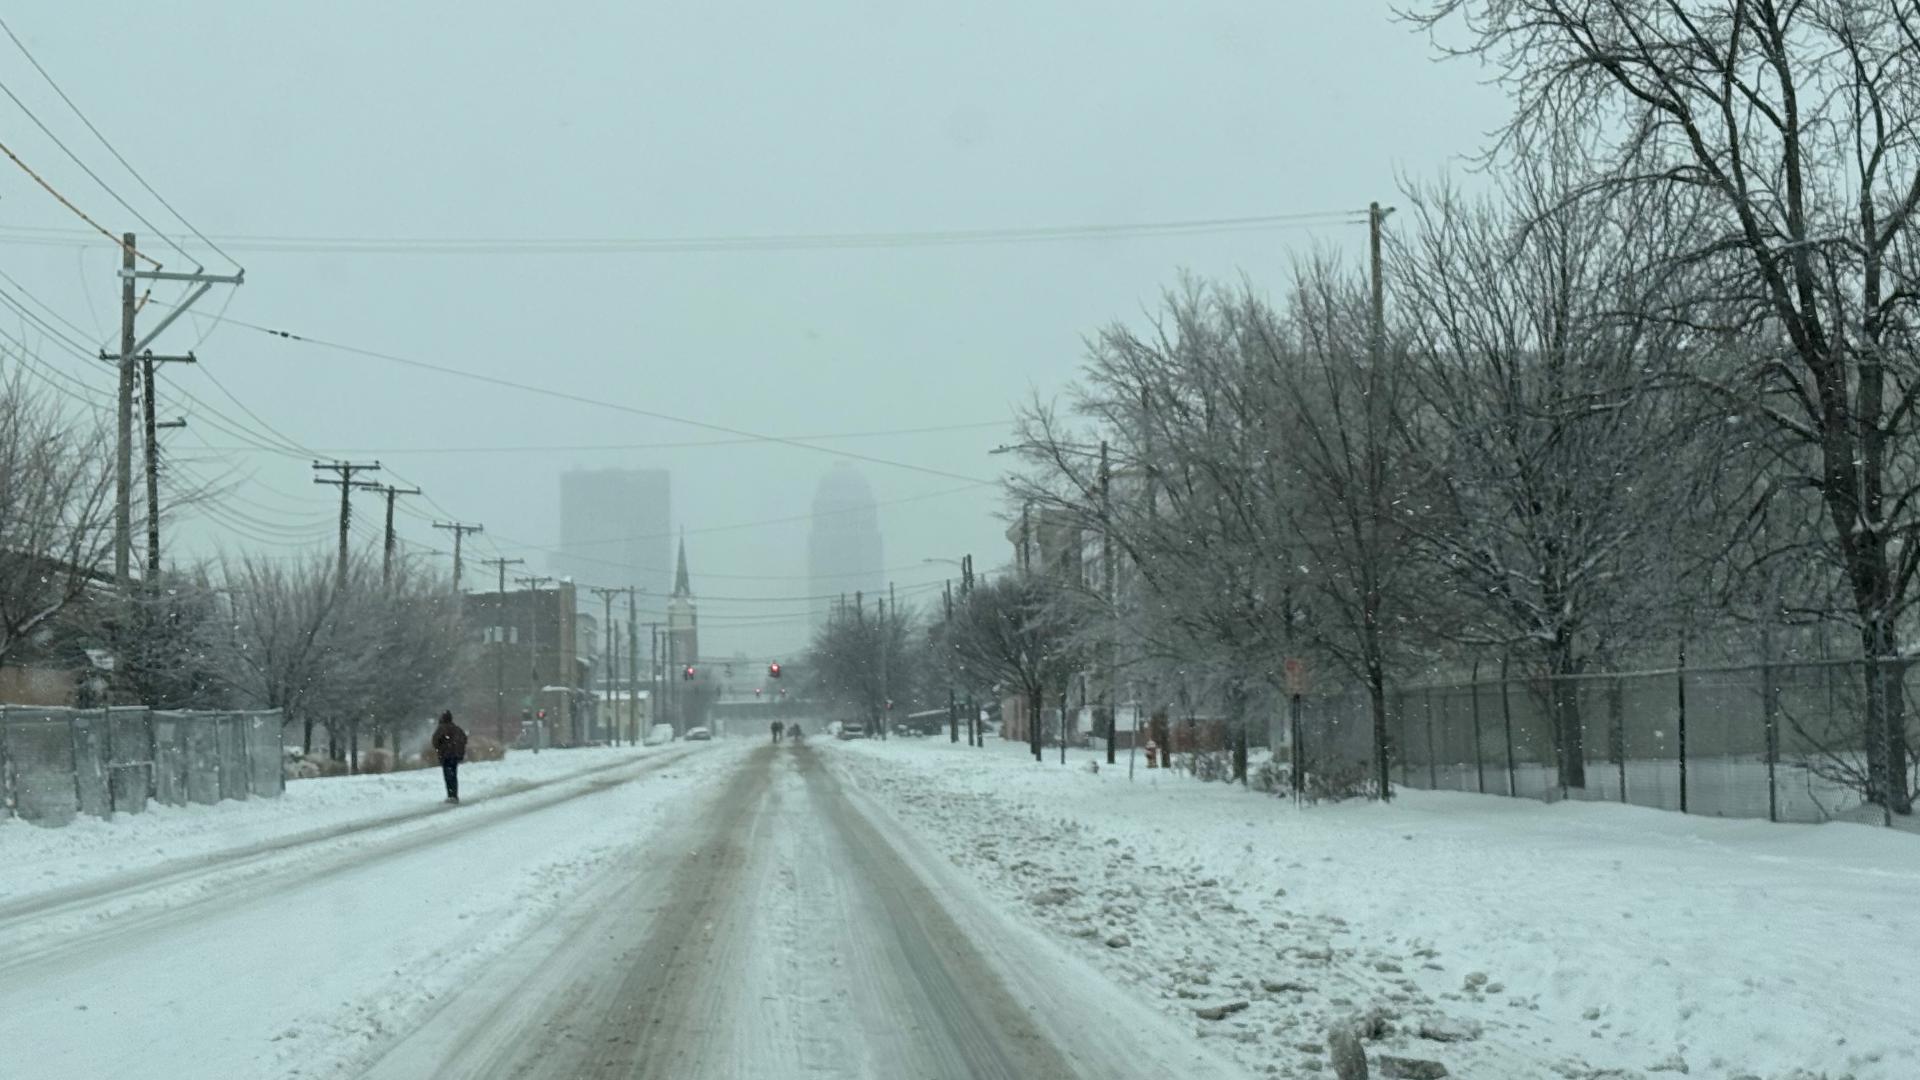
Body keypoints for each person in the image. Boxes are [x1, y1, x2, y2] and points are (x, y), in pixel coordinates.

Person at [432, 711, 468, 803]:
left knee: (448, 776)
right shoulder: (457, 729)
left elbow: (435, 741)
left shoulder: (441, 729)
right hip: (455, 755)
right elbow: (464, 739)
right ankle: (454, 794)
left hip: (446, 755)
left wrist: (441, 747)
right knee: (453, 775)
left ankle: (451, 795)